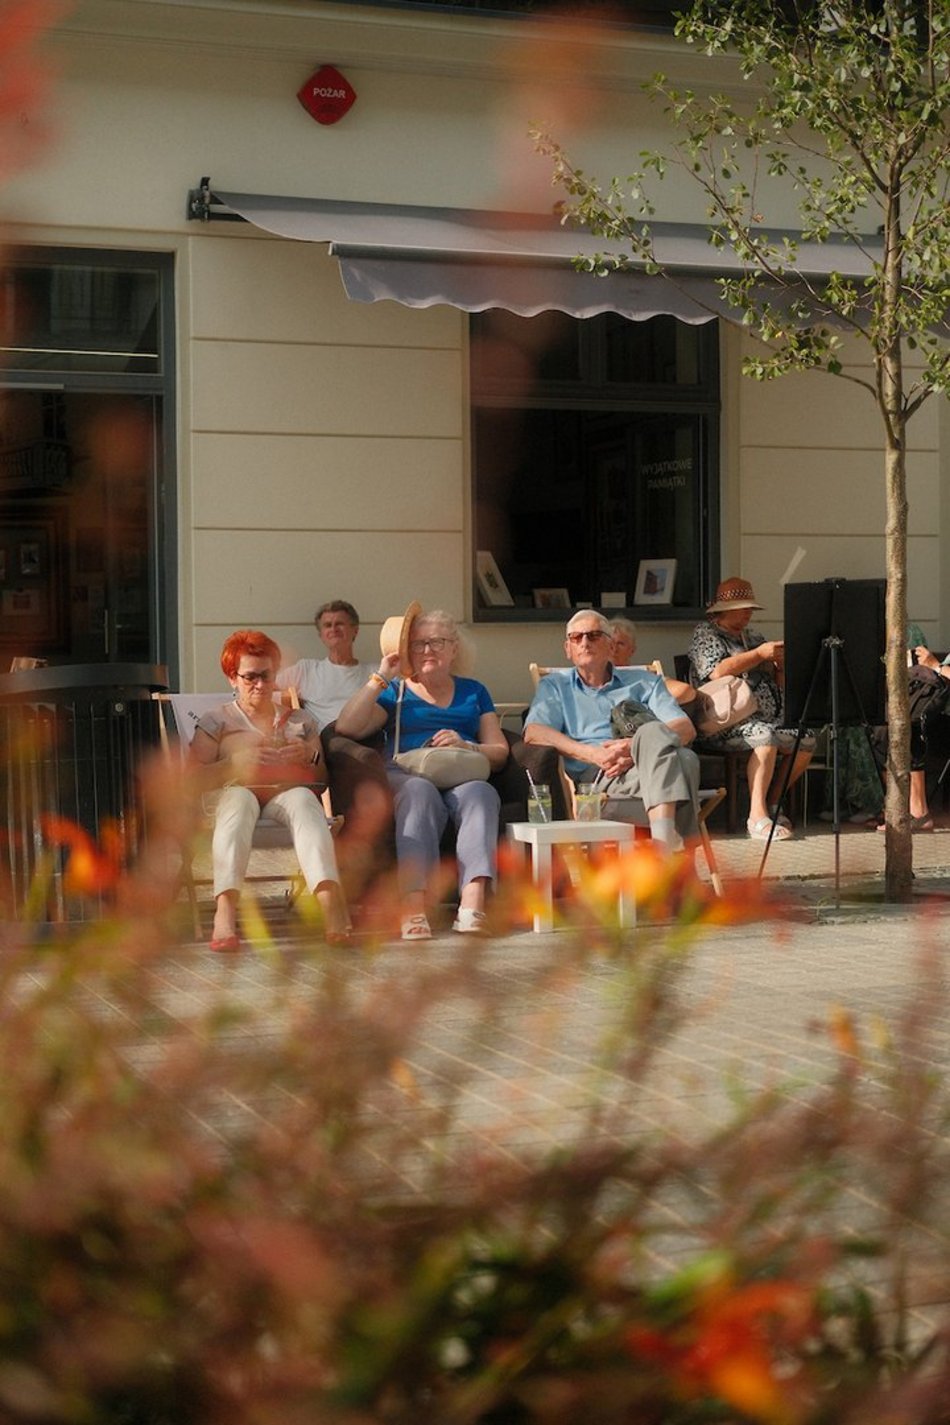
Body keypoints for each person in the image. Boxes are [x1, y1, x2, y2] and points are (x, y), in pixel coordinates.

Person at [335, 607, 509, 941]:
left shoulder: (474, 691)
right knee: (419, 792)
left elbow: (499, 752)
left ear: (454, 649)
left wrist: (467, 745)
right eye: (418, 644)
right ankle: (414, 906)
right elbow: (347, 726)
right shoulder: (397, 692)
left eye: (437, 642)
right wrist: (381, 677)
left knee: (481, 793)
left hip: (460, 772)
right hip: (407, 772)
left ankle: (472, 905)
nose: (427, 650)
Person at [189, 629, 352, 950]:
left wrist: (309, 756)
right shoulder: (216, 720)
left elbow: (321, 782)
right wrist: (234, 763)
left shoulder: (299, 720)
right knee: (237, 802)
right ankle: (225, 913)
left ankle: (330, 905)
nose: (260, 685)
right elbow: (192, 781)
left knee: (305, 801)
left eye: (266, 675)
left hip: (286, 793)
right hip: (237, 793)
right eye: (250, 677)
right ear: (232, 678)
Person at [524, 609, 700, 849]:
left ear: (610, 646)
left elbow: (685, 727)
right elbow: (534, 732)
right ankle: (676, 853)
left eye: (593, 635)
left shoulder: (645, 682)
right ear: (568, 649)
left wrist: (635, 749)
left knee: (653, 734)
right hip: (600, 776)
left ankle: (664, 846)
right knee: (685, 760)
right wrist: (592, 754)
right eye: (576, 637)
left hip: (645, 770)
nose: (584, 642)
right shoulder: (556, 686)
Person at [688, 577, 814, 841]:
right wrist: (758, 655)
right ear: (724, 610)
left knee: (806, 739)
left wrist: (780, 666)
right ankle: (756, 817)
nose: (748, 613)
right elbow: (716, 672)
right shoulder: (706, 634)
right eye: (743, 608)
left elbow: (777, 682)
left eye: (750, 608)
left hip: (766, 717)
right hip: (725, 722)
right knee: (765, 737)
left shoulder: (753, 637)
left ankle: (773, 803)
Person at [276, 600, 376, 728]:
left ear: (355, 630)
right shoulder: (306, 670)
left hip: (365, 734)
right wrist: (285, 700)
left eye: (339, 624)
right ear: (321, 635)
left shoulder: (375, 673)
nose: (333, 629)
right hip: (326, 736)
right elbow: (263, 686)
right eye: (328, 625)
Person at [608, 615, 696, 708]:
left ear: (632, 650)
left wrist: (644, 707)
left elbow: (686, 691)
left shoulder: (644, 676)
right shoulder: (597, 678)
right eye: (610, 643)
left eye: (620, 644)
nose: (614, 649)